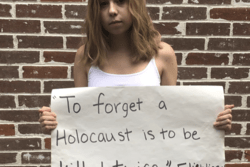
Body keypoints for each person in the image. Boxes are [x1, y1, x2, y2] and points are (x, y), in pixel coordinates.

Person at [38, 0, 234, 132]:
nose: (112, 10)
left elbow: (172, 116)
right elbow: (78, 119)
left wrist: (211, 122)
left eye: (121, 1)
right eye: (103, 4)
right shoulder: (86, 56)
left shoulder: (163, 55)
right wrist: (55, 123)